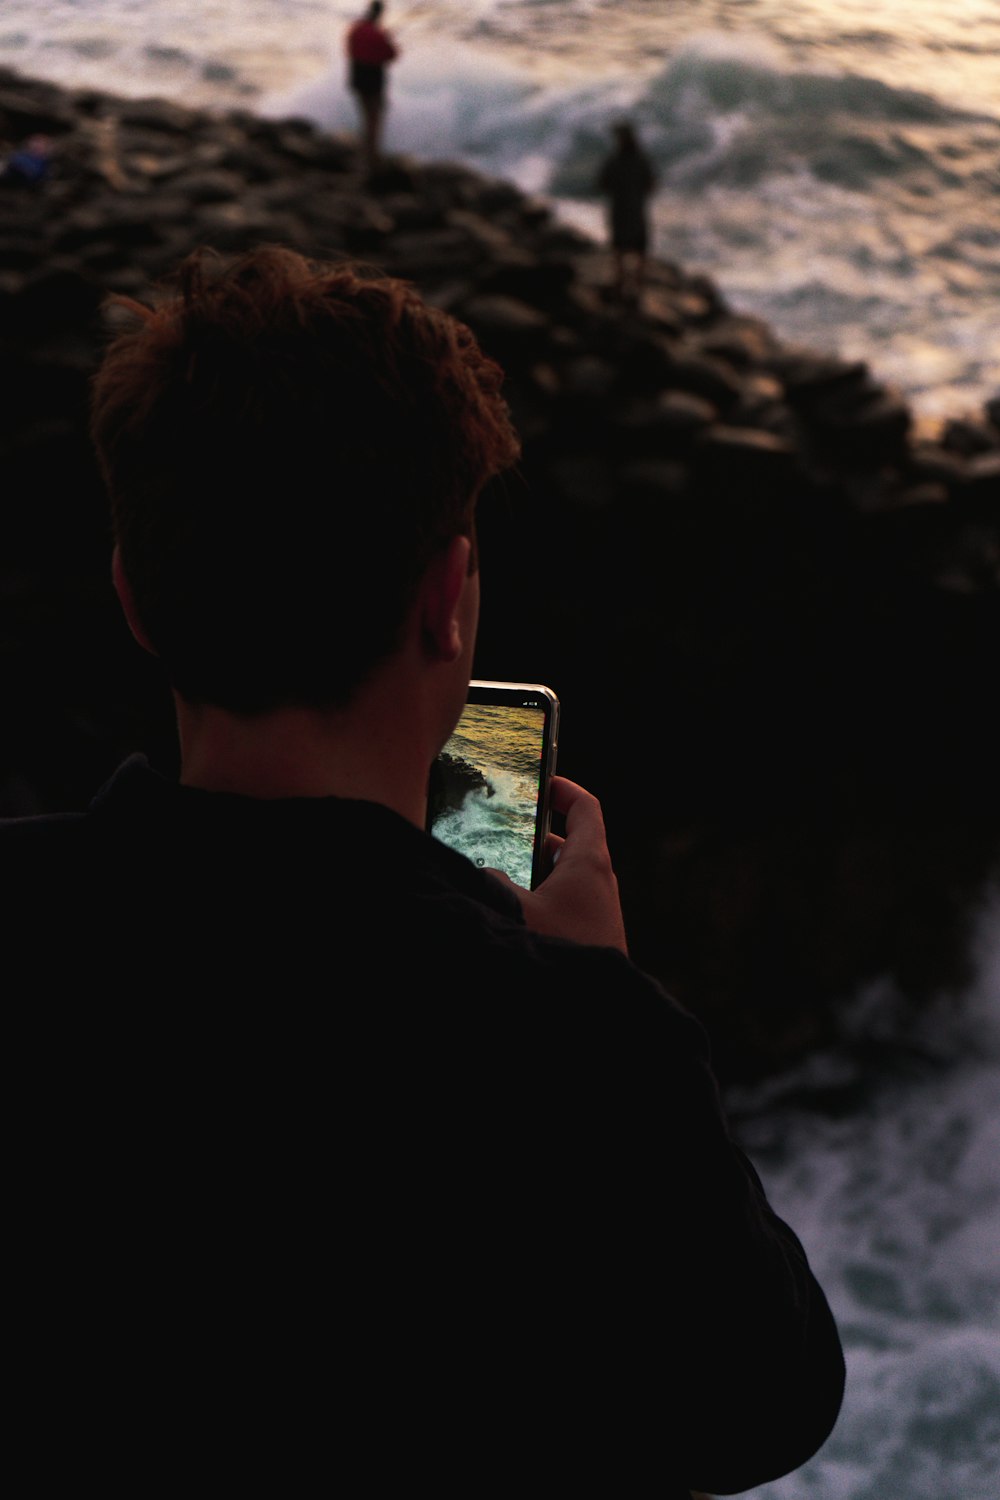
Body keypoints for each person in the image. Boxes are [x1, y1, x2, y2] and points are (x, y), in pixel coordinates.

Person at [4, 245, 844, 1493]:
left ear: (134, 597)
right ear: (447, 599)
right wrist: (598, 997)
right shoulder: (560, 1044)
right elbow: (762, 1408)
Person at [598, 119, 656, 302]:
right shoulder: (641, 160)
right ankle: (637, 286)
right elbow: (651, 185)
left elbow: (602, 184)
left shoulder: (614, 161)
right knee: (639, 249)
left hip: (619, 210)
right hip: (636, 210)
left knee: (619, 249)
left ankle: (621, 284)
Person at [345, 0, 399, 173]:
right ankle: (371, 159)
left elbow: (350, 50)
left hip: (358, 80)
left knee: (365, 118)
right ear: (380, 14)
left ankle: (365, 154)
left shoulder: (356, 29)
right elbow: (392, 55)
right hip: (374, 83)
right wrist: (388, 38)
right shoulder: (378, 34)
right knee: (374, 121)